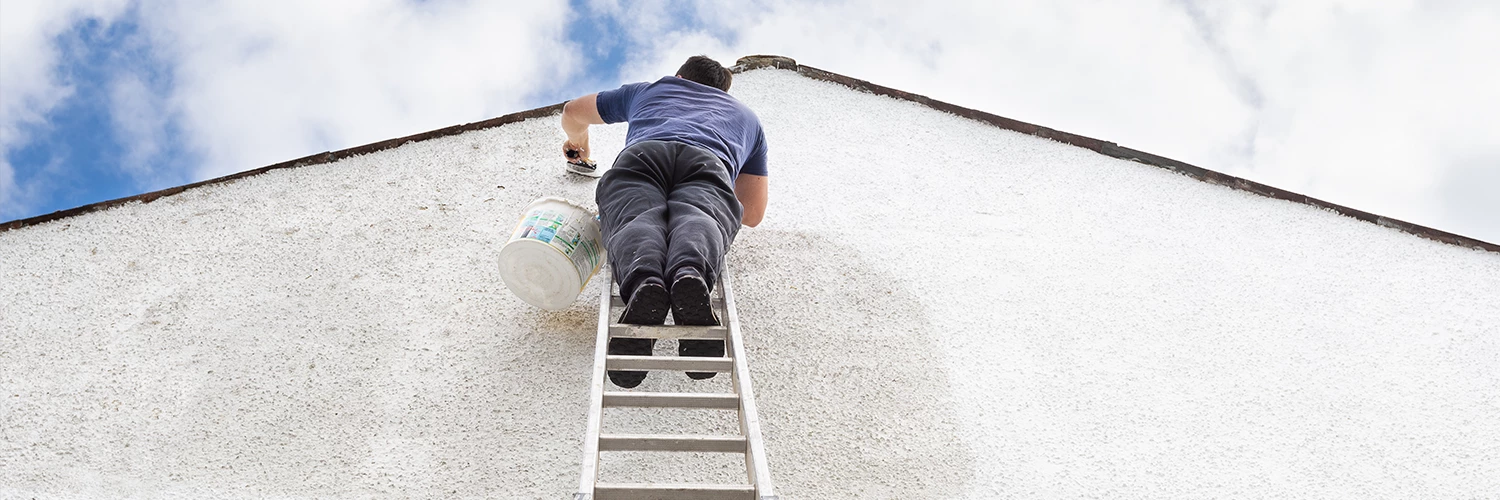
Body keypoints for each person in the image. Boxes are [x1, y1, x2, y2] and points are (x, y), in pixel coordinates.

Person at [560, 55, 768, 388]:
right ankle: (689, 274)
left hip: (643, 155)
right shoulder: (746, 119)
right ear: (723, 93)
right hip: (708, 162)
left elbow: (572, 111)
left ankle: (647, 283)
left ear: (679, 76)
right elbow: (753, 213)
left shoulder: (648, 91)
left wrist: (578, 147)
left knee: (636, 218)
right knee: (700, 216)